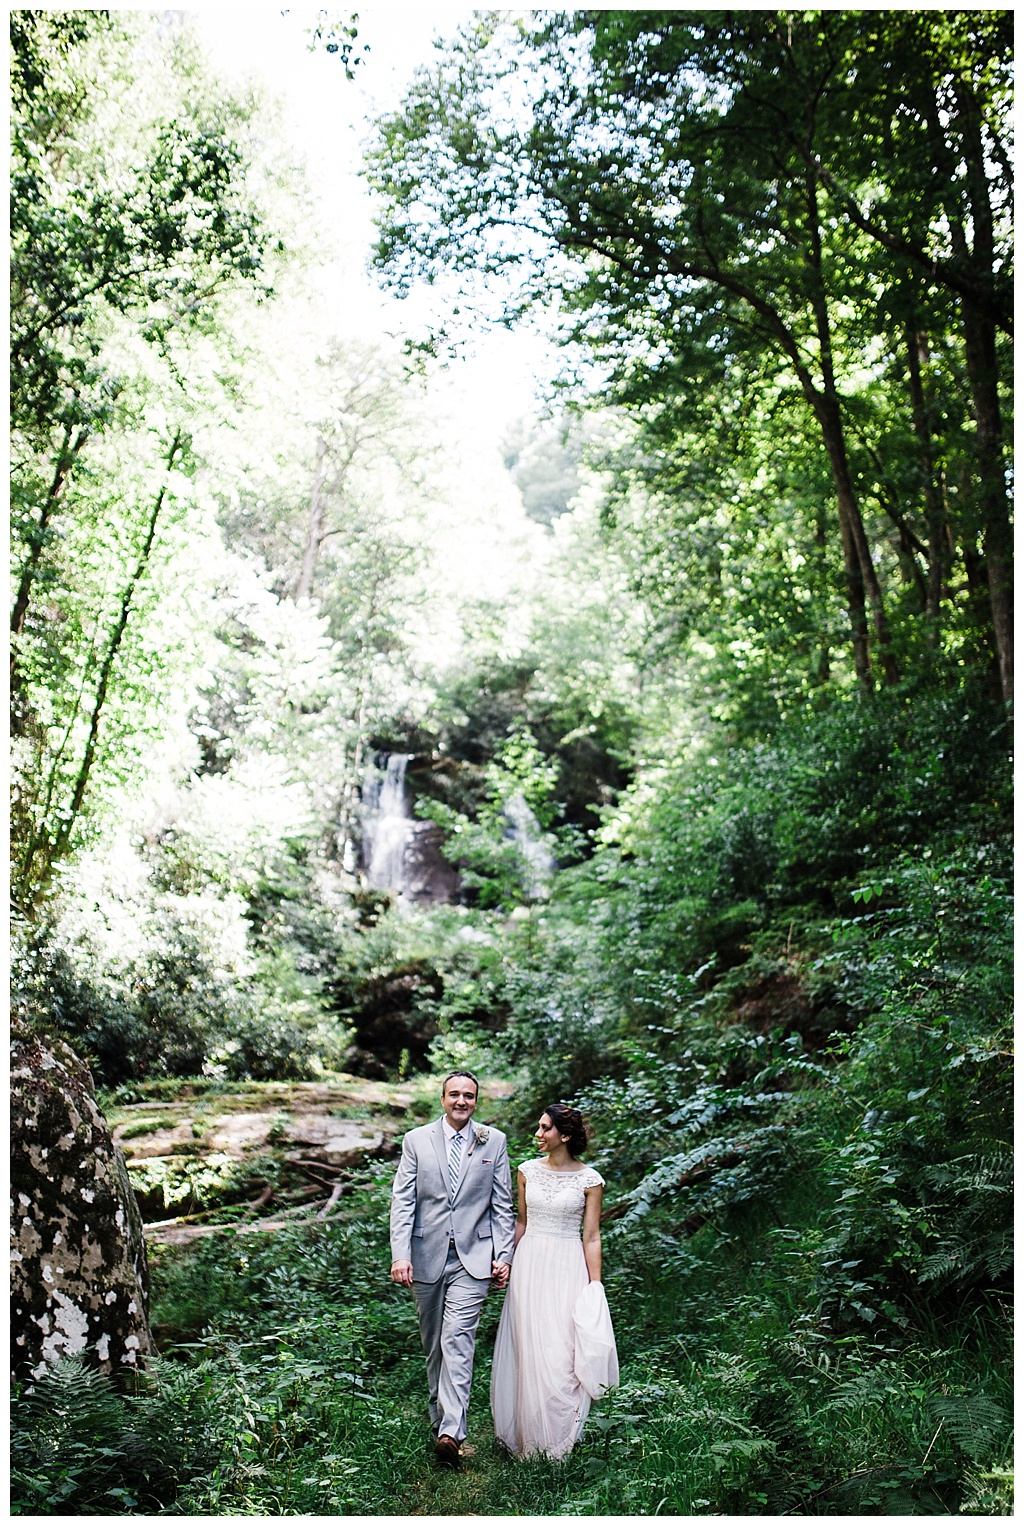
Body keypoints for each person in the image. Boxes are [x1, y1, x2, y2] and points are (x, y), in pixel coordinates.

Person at [390, 1070, 515, 1468]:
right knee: (434, 1347)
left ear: (477, 1101)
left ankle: (451, 1433)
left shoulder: (493, 1141)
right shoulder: (416, 1140)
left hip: (473, 1257)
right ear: (442, 1099)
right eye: (455, 1095)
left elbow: (502, 1206)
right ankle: (439, 1422)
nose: (462, 1101)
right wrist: (400, 1253)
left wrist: (504, 1255)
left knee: (457, 1339)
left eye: (470, 1096)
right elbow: (403, 1201)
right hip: (425, 1254)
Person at [490, 1102, 619, 1459]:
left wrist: (595, 1286)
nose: (538, 1134)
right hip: (530, 1264)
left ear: (564, 1135)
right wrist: (506, 1260)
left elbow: (591, 1237)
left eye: (545, 1128)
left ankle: (560, 1439)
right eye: (539, 1126)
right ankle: (529, 1437)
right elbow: (521, 1222)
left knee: (562, 1350)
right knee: (530, 1347)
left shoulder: (590, 1180)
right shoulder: (527, 1171)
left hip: (567, 1266)